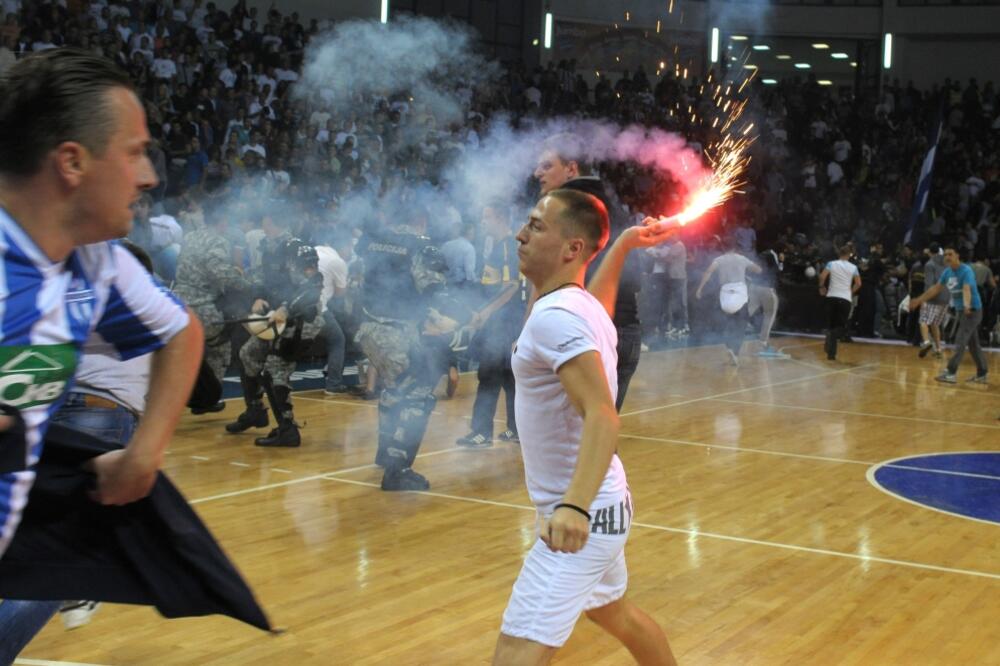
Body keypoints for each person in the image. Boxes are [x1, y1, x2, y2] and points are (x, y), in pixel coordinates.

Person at [0, 48, 203, 661]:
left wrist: (144, 452)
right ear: (72, 162)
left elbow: (181, 332)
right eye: (135, 151)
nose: (149, 176)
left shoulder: (97, 263)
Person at [493, 188, 677, 665]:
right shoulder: (576, 306)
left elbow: (602, 413)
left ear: (572, 249)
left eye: (536, 226)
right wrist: (622, 247)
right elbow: (595, 304)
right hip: (606, 505)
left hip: (583, 514)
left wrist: (573, 507)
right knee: (617, 615)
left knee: (516, 649)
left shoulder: (557, 318)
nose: (521, 233)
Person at [534, 134, 643, 411]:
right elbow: (635, 278)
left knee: (572, 443)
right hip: (625, 332)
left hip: (579, 335)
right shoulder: (613, 204)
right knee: (597, 443)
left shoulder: (562, 207)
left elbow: (545, 280)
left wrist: (527, 337)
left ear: (571, 169)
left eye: (547, 166)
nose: (537, 173)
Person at [225, 233, 323, 447]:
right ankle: (255, 410)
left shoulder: (302, 255)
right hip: (276, 320)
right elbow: (261, 281)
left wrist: (286, 308)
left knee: (274, 370)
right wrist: (258, 297)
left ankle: (288, 429)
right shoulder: (273, 258)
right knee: (247, 354)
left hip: (301, 323)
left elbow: (313, 288)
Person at [456, 203, 526, 448]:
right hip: (502, 322)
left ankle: (481, 432)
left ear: (498, 217)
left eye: (486, 216)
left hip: (504, 324)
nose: (482, 222)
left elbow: (511, 287)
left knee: (488, 375)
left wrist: (484, 313)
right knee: (508, 377)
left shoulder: (507, 247)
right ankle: (516, 429)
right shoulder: (498, 246)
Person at [909, 245, 989, 384]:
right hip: (962, 311)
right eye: (945, 254)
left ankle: (950, 373)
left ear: (957, 255)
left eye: (950, 254)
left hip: (972, 311)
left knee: (960, 340)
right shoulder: (947, 272)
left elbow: (966, 289)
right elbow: (935, 289)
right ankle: (982, 373)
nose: (947, 257)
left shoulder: (966, 270)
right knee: (973, 344)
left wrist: (966, 304)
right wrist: (919, 300)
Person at [694, 236, 762, 366]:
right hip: (740, 295)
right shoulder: (742, 259)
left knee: (725, 323)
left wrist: (700, 289)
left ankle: (729, 346)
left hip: (725, 294)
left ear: (723, 248)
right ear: (735, 247)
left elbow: (708, 272)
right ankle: (735, 351)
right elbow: (758, 270)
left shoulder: (719, 260)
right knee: (741, 325)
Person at [819, 246, 862, 361]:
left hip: (831, 297)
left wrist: (822, 287)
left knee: (831, 325)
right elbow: (858, 283)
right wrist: (850, 292)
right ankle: (831, 350)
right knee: (841, 326)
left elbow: (822, 276)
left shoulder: (831, 264)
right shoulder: (853, 267)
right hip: (845, 299)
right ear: (849, 255)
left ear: (839, 253)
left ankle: (831, 355)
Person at [916, 243, 949, 359]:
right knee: (935, 323)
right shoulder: (946, 262)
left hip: (934, 296)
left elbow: (929, 284)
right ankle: (938, 349)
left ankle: (926, 342)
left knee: (923, 320)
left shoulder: (930, 264)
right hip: (946, 297)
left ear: (930, 252)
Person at [750, 247, 783, 357]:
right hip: (767, 290)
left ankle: (733, 334)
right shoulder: (772, 255)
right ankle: (763, 344)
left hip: (754, 287)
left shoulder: (760, 256)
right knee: (769, 316)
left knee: (747, 312)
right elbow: (778, 271)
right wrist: (782, 261)